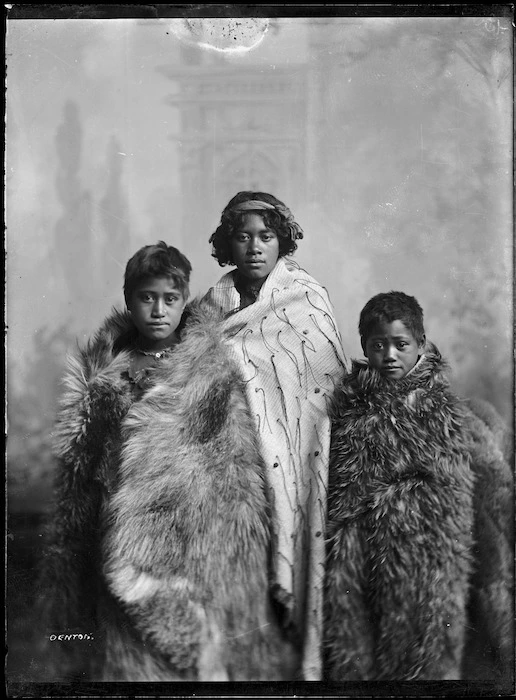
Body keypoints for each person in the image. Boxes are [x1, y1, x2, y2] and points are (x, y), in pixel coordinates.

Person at [40, 241, 295, 681]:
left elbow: (235, 463)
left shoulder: (210, 368)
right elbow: (81, 476)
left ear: (183, 300)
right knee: (136, 663)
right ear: (129, 298)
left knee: (203, 655)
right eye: (147, 297)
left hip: (196, 538)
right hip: (120, 538)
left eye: (170, 299)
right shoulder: (102, 376)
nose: (159, 310)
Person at [324, 291, 513, 681]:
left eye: (400, 344)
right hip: (362, 557)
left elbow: (453, 496)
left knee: (422, 658)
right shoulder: (350, 409)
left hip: (427, 560)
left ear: (421, 345)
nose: (390, 355)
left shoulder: (441, 411)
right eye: (378, 345)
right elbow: (344, 488)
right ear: (364, 346)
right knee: (360, 657)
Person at [203, 191, 348, 680]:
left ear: (282, 240)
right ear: (228, 244)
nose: (255, 247)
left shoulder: (306, 298)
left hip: (302, 445)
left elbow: (324, 384)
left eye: (266, 236)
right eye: (242, 238)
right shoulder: (213, 303)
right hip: (238, 450)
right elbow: (199, 369)